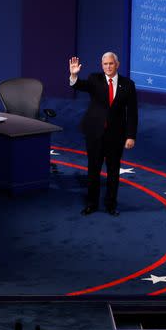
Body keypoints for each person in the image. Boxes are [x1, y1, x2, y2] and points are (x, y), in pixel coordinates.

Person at [69, 52, 138, 216]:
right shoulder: (95, 79)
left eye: (111, 64)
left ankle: (111, 205)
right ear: (102, 65)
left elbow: (133, 113)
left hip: (116, 136)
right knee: (93, 170)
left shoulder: (128, 84)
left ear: (117, 64)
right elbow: (79, 85)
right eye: (105, 64)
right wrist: (73, 75)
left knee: (113, 172)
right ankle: (91, 204)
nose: (108, 67)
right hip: (95, 134)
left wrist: (130, 136)